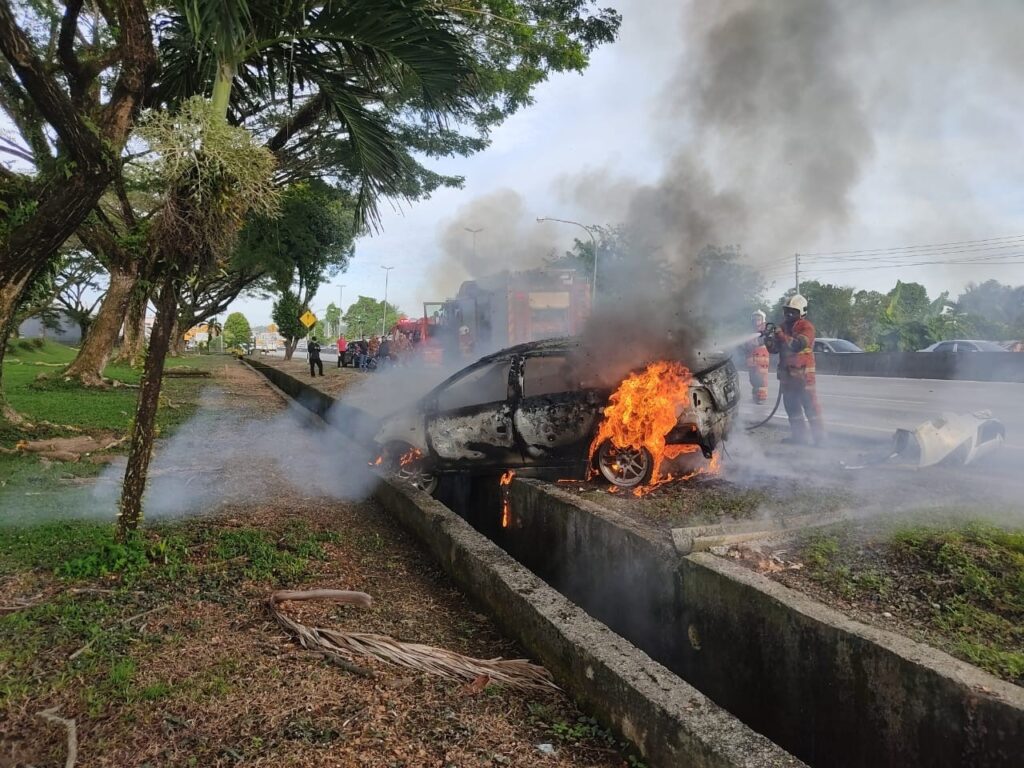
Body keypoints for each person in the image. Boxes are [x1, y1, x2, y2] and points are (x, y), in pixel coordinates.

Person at [765, 295, 824, 445]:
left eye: (793, 312)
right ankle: (799, 438)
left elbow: (798, 345)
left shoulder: (807, 327)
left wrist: (780, 335)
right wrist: (769, 340)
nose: (789, 315)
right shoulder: (783, 326)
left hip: (804, 376)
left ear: (802, 312)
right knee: (792, 409)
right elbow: (775, 350)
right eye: (787, 311)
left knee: (810, 408)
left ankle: (820, 440)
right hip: (787, 377)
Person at [744, 310, 770, 404]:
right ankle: (756, 397)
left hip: (761, 359)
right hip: (752, 360)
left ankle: (761, 397)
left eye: (758, 319)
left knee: (761, 379)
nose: (756, 321)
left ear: (763, 320)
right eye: (754, 319)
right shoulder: (751, 331)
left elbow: (763, 341)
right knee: (753, 379)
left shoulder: (765, 331)